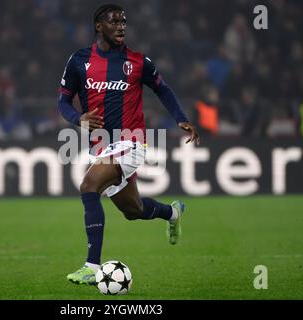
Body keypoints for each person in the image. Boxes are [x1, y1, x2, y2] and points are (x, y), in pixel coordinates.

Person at [58, 4, 200, 285]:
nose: (121, 26)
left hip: (131, 142)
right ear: (99, 26)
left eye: (124, 21)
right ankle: (173, 213)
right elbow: (63, 100)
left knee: (89, 186)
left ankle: (91, 266)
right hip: (101, 145)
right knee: (132, 210)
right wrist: (78, 118)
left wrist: (181, 118)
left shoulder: (138, 62)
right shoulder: (79, 60)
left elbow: (163, 89)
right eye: (114, 21)